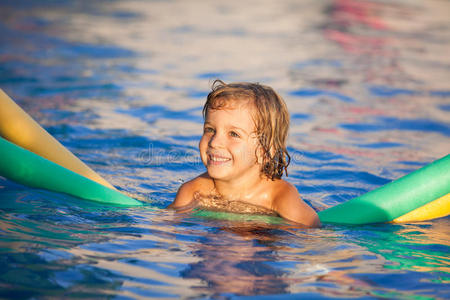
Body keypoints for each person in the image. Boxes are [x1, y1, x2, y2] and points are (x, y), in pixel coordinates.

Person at [168, 80, 320, 227]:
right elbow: (165, 227)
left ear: (264, 151)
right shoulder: (194, 191)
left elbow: (312, 236)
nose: (214, 142)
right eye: (210, 130)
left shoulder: (278, 197)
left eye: (233, 134)